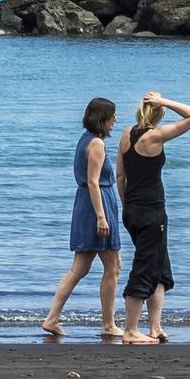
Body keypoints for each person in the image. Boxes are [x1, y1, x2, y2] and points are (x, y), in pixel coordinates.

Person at [118, 91, 190, 344]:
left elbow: (121, 177)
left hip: (133, 210)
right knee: (144, 268)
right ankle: (131, 330)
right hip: (151, 212)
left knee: (160, 267)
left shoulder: (126, 133)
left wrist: (126, 206)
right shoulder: (155, 136)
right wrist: (165, 101)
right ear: (160, 112)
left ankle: (155, 327)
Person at [41, 97, 124, 339]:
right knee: (113, 267)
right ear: (104, 119)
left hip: (85, 204)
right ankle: (108, 324)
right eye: (112, 116)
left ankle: (52, 318)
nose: (115, 120)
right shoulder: (96, 143)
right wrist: (101, 216)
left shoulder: (85, 140)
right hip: (96, 206)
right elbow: (93, 181)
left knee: (79, 268)